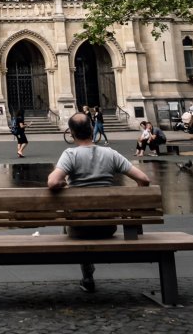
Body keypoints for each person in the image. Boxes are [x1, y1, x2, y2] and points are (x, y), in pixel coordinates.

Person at [48, 111, 150, 292]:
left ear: (71, 134)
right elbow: (144, 180)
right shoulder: (110, 154)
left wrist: (64, 183)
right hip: (108, 225)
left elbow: (53, 182)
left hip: (78, 229)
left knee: (71, 222)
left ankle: (87, 274)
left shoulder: (70, 154)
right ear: (92, 129)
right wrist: (134, 207)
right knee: (89, 220)